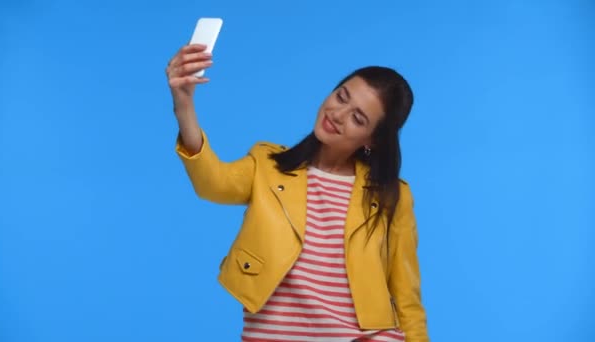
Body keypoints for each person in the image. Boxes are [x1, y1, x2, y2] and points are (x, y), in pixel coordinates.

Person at [165, 43, 429, 342]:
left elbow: (406, 296)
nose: (338, 114)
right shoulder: (267, 166)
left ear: (373, 141)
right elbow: (211, 184)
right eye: (341, 96)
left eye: (358, 118)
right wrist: (184, 106)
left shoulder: (392, 197)